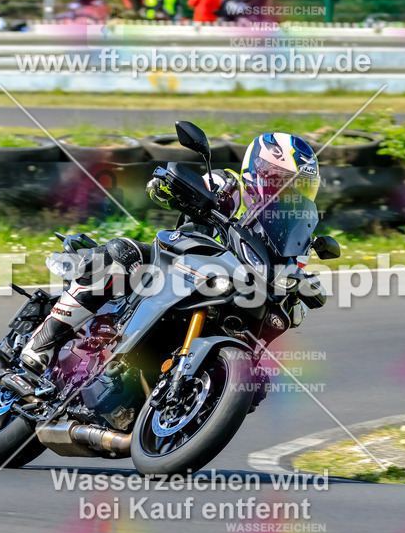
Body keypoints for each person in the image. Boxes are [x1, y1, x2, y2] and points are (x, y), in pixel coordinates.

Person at [19, 132, 321, 374]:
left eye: (301, 188)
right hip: (177, 262)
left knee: (279, 321)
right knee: (122, 253)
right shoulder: (229, 186)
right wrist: (169, 186)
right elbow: (164, 188)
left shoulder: (286, 229)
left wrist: (298, 290)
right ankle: (42, 343)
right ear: (259, 172)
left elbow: (287, 269)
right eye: (283, 181)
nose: (290, 193)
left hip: (228, 289)